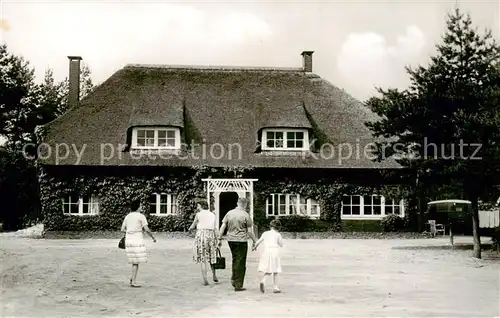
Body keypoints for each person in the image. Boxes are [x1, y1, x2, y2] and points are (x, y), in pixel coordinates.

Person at [218, 197, 257, 291]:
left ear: (237, 203)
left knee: (235, 259)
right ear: (245, 205)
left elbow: (223, 226)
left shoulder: (229, 213)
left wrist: (219, 238)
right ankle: (238, 284)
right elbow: (250, 231)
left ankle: (234, 278)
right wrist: (255, 241)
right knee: (241, 262)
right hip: (241, 240)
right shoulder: (245, 215)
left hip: (230, 240)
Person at [120, 199, 156, 287]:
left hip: (129, 240)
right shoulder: (141, 216)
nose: (142, 207)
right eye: (141, 205)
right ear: (137, 207)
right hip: (137, 240)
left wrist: (130, 231)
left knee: (134, 261)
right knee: (136, 261)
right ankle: (133, 281)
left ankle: (133, 278)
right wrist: (153, 237)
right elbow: (146, 229)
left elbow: (122, 229)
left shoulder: (127, 216)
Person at [188, 199, 219, 286]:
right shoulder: (213, 214)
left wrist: (189, 229)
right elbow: (215, 228)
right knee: (212, 256)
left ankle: (205, 279)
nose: (197, 207)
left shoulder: (198, 215)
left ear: (201, 206)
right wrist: (218, 239)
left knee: (203, 257)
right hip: (211, 235)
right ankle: (214, 275)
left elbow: (193, 225)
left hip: (201, 235)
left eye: (198, 206)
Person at [252, 219, 283, 293]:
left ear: (270, 226)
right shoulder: (278, 234)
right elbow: (281, 244)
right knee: (275, 270)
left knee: (269, 268)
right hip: (274, 251)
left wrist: (254, 247)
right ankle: (276, 287)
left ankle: (263, 280)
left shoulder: (265, 233)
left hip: (266, 251)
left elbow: (258, 241)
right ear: (278, 227)